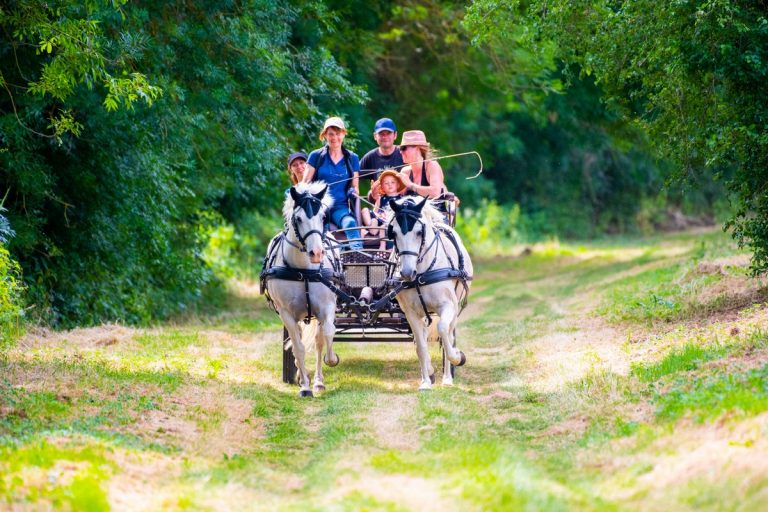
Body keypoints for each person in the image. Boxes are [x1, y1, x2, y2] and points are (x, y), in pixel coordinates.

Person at [302, 116, 363, 250]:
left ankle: (358, 256)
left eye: (338, 133)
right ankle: (323, 263)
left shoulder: (352, 158)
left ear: (344, 134)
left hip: (340, 207)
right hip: (319, 207)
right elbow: (305, 183)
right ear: (324, 135)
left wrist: (353, 192)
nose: (334, 137)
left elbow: (355, 187)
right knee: (320, 233)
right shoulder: (316, 156)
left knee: (351, 223)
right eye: (330, 134)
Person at [361, 170, 406, 250]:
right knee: (367, 212)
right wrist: (374, 218)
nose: (390, 185)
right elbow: (375, 211)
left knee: (383, 227)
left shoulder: (401, 198)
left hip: (391, 219)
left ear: (398, 184)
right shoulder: (381, 198)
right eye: (386, 183)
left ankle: (383, 246)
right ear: (382, 186)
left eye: (393, 182)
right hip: (381, 217)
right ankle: (370, 228)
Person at [359, 118, 404, 184]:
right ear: (375, 136)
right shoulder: (370, 157)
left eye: (388, 133)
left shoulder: (404, 152)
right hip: (379, 194)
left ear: (395, 135)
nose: (385, 137)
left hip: (404, 194)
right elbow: (354, 174)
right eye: (381, 134)